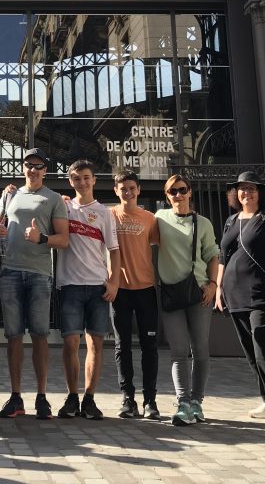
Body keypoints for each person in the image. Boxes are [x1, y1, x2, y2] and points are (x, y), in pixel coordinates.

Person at [0, 148, 68, 420]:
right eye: (28, 164)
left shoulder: (54, 198)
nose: (33, 169)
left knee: (40, 335)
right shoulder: (10, 194)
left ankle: (42, 397)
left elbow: (64, 240)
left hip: (39, 275)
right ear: (23, 167)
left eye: (38, 165)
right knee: (13, 336)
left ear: (45, 170)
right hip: (10, 272)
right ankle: (15, 397)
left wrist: (41, 238)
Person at [216, 170, 265, 426]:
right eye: (242, 189)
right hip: (234, 295)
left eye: (252, 188)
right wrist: (218, 288)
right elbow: (223, 258)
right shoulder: (231, 221)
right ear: (235, 194)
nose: (246, 193)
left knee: (264, 344)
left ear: (260, 193)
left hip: (264, 294)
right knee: (250, 350)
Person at [56, 160, 119, 421]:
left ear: (94, 180)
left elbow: (114, 250)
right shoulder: (63, 207)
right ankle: (72, 396)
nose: (81, 182)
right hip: (69, 285)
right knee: (70, 344)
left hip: (97, 287)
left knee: (96, 344)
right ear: (70, 182)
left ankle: (90, 398)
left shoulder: (105, 213)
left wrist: (114, 282)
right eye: (76, 178)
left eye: (86, 177)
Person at [155, 174, 220, 426]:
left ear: (190, 192)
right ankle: (183, 402)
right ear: (167, 196)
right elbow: (132, 224)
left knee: (201, 349)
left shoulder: (202, 223)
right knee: (178, 350)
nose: (178, 195)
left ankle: (197, 402)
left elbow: (213, 254)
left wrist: (214, 284)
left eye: (182, 190)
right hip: (172, 291)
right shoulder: (159, 219)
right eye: (172, 191)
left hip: (199, 290)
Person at [110, 171, 161, 420]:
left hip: (146, 290)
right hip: (119, 291)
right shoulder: (109, 216)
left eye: (131, 188)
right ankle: (128, 399)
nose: (127, 192)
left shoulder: (150, 219)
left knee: (149, 346)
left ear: (138, 190)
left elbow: (165, 247)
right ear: (116, 191)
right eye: (123, 188)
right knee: (122, 346)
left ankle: (150, 400)